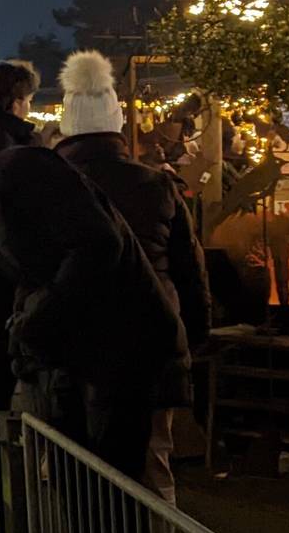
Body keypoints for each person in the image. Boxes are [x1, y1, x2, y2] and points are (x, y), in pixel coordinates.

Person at [0, 117, 182, 483]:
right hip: (67, 349)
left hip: (121, 341)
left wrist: (37, 316)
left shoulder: (18, 170)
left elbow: (100, 243)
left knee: (113, 484)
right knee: (73, 481)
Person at [55, 51, 210, 503]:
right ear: (118, 122)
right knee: (151, 465)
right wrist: (190, 336)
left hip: (71, 347)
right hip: (151, 339)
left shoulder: (50, 187)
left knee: (74, 471)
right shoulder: (155, 185)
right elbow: (189, 269)